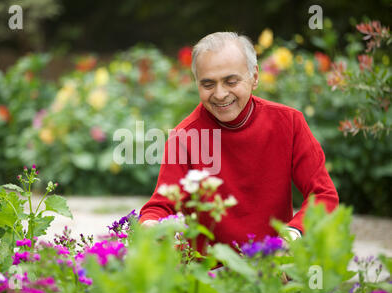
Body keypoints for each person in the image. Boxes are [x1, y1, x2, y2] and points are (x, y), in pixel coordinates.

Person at [138, 32, 339, 253]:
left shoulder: (289, 123)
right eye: (208, 84)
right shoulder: (184, 136)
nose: (220, 94)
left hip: (274, 263)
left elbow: (322, 194)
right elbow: (160, 206)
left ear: (254, 76)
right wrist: (150, 226)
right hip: (209, 275)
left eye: (231, 81)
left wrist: (293, 235)